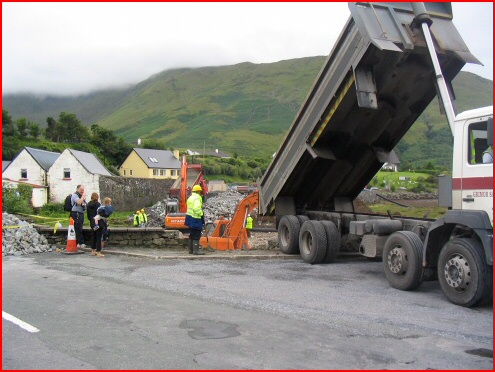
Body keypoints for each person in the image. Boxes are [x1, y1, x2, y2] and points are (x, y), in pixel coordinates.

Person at [184, 184, 205, 255]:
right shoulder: (197, 199)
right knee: (197, 235)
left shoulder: (190, 198)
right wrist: (201, 214)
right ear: (198, 192)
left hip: (190, 217)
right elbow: (197, 209)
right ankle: (196, 251)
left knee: (192, 234)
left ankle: (191, 250)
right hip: (196, 218)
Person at [70, 185, 87, 249]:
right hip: (76, 213)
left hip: (81, 213)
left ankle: (79, 242)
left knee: (80, 227)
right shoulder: (75, 195)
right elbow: (79, 202)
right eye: (81, 190)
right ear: (77, 189)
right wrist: (83, 196)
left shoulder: (81, 196)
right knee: (78, 228)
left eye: (83, 190)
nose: (82, 191)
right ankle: (80, 243)